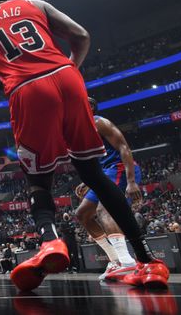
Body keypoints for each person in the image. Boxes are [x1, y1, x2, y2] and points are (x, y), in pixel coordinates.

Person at [0, 0, 169, 290]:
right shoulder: (36, 4)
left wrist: (9, 85)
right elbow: (81, 35)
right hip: (68, 78)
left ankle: (50, 242)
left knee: (38, 180)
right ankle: (148, 261)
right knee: (95, 175)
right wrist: (69, 71)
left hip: (27, 89)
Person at [74, 97, 142, 281]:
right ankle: (115, 260)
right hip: (105, 172)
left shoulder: (99, 122)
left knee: (104, 209)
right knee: (82, 214)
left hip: (120, 168)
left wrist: (131, 181)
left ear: (91, 107)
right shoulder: (80, 130)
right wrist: (89, 181)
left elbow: (124, 147)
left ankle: (127, 262)